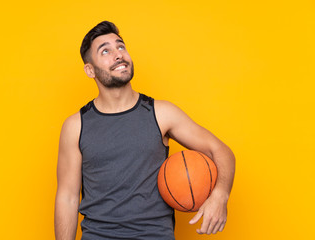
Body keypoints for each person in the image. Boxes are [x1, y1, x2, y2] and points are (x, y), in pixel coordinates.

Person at [54, 21, 235, 240]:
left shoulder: (161, 113)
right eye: (106, 51)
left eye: (121, 47)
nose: (118, 54)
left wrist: (220, 195)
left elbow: (221, 151)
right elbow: (67, 197)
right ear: (89, 69)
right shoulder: (76, 126)